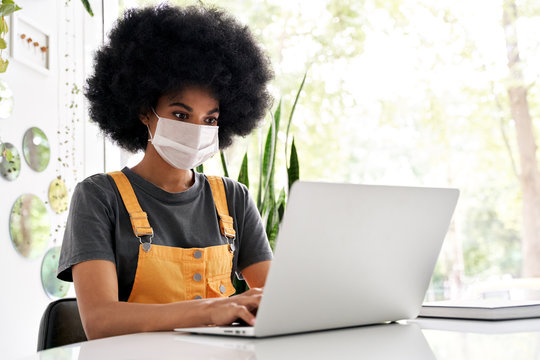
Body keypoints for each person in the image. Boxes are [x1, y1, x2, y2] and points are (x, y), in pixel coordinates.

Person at [57, 4, 274, 340]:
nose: (198, 129)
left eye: (210, 119)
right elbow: (100, 321)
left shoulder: (234, 198)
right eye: (181, 114)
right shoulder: (99, 196)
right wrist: (211, 310)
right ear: (145, 111)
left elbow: (278, 303)